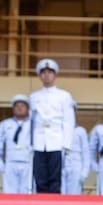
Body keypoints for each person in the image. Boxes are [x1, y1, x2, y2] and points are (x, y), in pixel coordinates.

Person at [29, 58, 75, 194]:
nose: (46, 75)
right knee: (40, 178)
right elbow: (31, 122)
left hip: (56, 141)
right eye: (43, 72)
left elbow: (68, 121)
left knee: (55, 180)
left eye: (50, 72)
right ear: (40, 76)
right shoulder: (33, 96)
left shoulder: (64, 96)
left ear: (55, 75)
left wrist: (66, 145)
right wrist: (30, 143)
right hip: (38, 141)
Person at [0, 95, 34, 194]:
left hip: (28, 164)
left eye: (23, 106)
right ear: (13, 109)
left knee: (27, 195)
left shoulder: (33, 124)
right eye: (17, 106)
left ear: (28, 109)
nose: (19, 108)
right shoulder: (5, 124)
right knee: (9, 194)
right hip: (10, 163)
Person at [62, 108, 91, 195]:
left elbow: (86, 152)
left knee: (74, 193)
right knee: (60, 193)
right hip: (61, 163)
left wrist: (84, 172)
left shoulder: (80, 131)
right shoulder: (58, 130)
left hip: (75, 164)